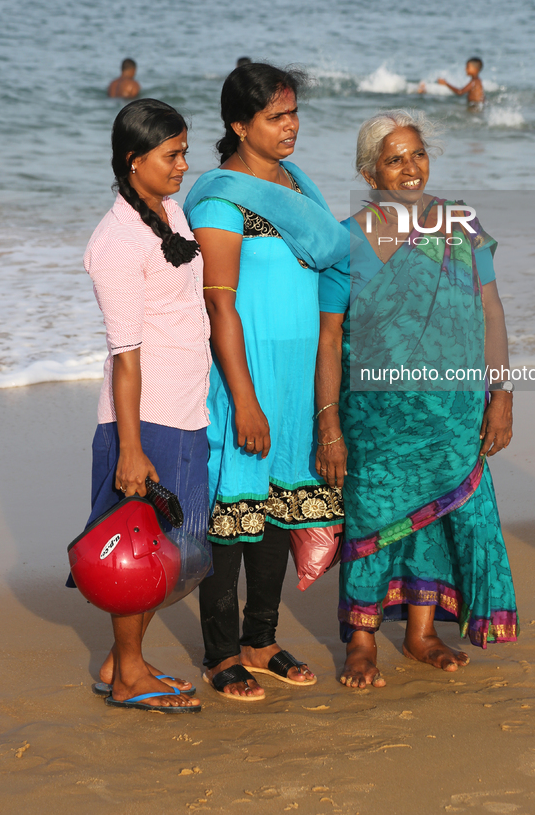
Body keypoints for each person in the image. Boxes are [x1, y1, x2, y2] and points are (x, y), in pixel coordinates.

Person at [316, 110, 518, 689]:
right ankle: (361, 639)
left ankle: (422, 632)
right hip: (377, 414)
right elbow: (330, 336)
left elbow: (491, 310)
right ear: (368, 170)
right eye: (394, 158)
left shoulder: (462, 227)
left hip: (452, 409)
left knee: (437, 513)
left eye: (417, 154)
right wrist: (328, 424)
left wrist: (500, 393)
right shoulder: (347, 240)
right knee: (374, 514)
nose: (410, 168)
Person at [184, 63, 348, 701]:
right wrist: (244, 400)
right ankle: (220, 652)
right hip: (243, 376)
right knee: (235, 511)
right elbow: (219, 306)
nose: (292, 127)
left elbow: (330, 271)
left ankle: (262, 639)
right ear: (238, 125)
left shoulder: (299, 189)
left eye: (294, 113)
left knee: (278, 508)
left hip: (297, 374)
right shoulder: (223, 197)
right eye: (276, 117)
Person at [72, 98, 211, 712]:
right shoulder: (116, 242)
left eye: (185, 151)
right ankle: (128, 675)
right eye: (172, 154)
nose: (184, 164)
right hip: (146, 416)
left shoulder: (170, 211)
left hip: (184, 408)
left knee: (169, 548)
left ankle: (119, 660)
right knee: (138, 550)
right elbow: (124, 356)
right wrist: (130, 448)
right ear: (135, 162)